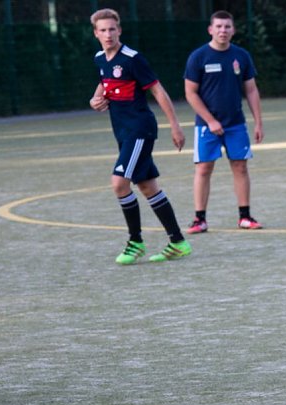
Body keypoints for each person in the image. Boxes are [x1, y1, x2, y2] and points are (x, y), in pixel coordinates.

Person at [89, 8, 191, 265]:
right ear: (96, 33)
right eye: (103, 30)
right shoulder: (100, 58)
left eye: (112, 29)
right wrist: (96, 98)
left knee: (119, 183)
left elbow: (158, 91)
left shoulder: (133, 58)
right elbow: (105, 81)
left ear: (119, 30)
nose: (108, 34)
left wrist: (175, 126)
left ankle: (135, 241)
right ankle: (178, 242)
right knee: (147, 187)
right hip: (122, 131)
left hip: (140, 129)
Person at [184, 10, 264, 234]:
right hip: (206, 126)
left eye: (227, 26)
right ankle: (199, 219)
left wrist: (258, 122)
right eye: (218, 26)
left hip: (236, 123)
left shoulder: (241, 56)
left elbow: (251, 89)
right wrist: (210, 121)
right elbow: (190, 93)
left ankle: (245, 216)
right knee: (203, 168)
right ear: (210, 29)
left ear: (233, 30)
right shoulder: (198, 57)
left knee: (240, 167)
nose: (223, 30)